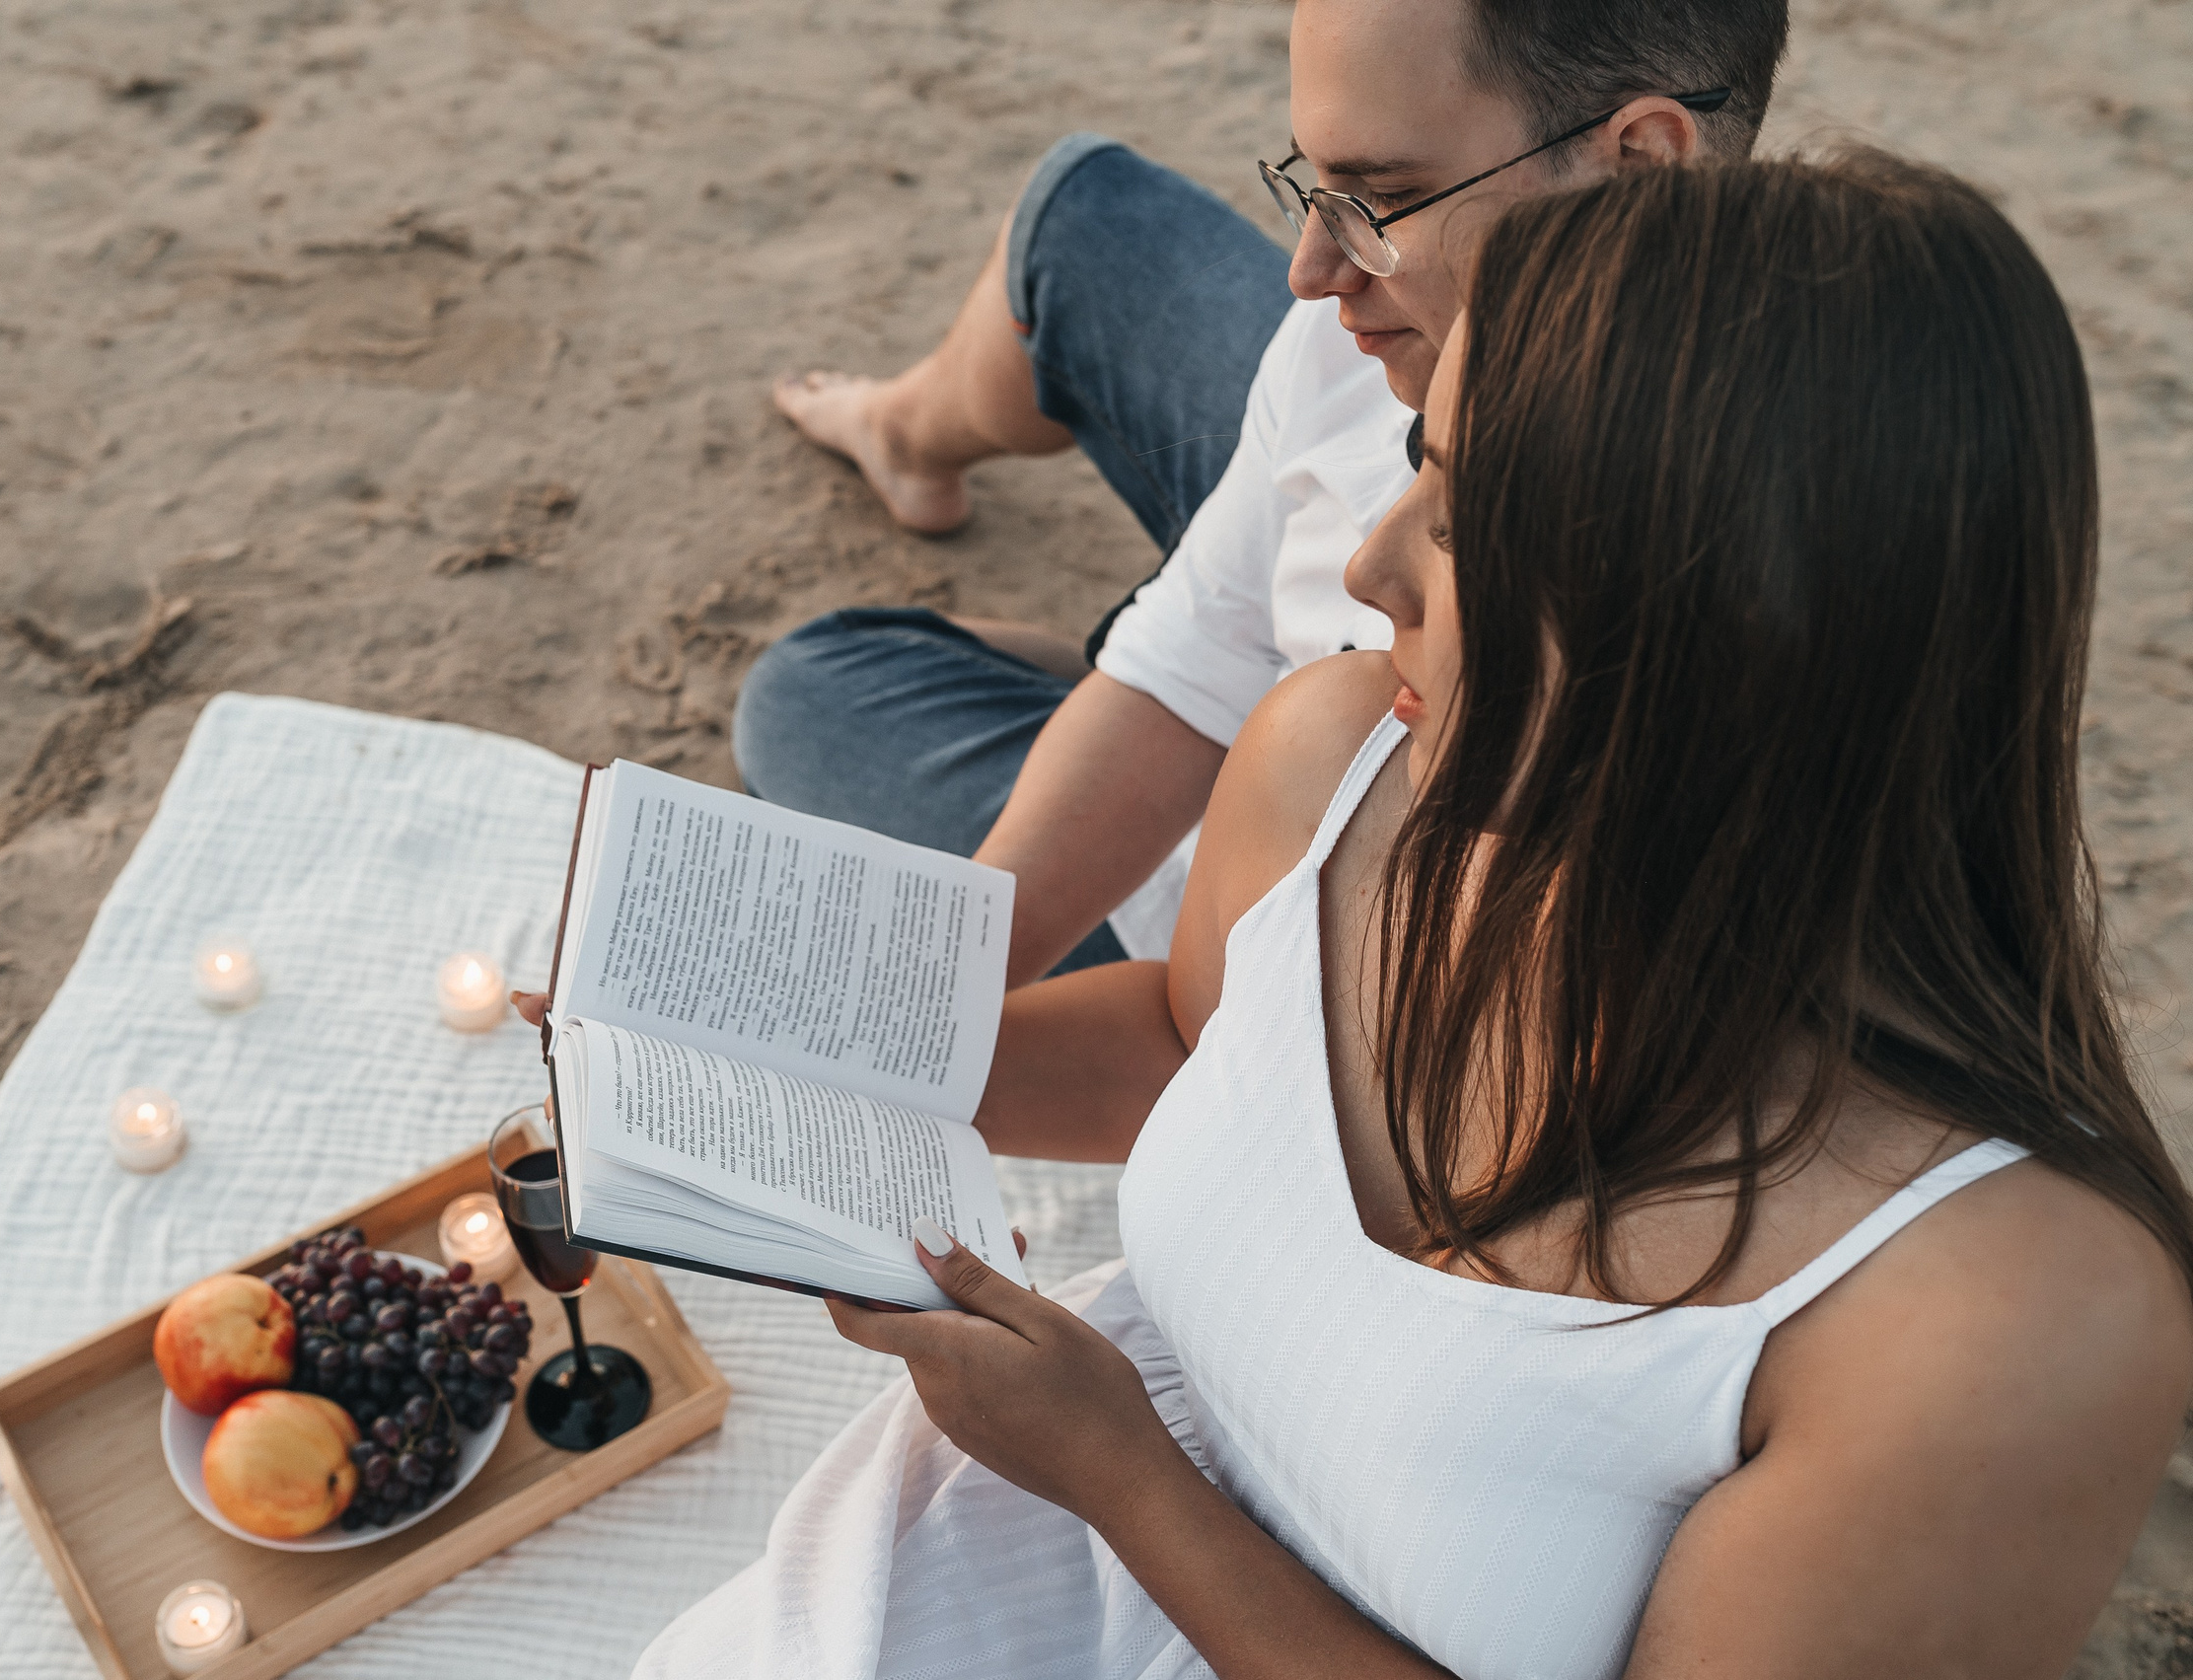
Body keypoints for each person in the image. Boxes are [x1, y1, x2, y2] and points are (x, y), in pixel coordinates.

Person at [633, 152, 2193, 1679]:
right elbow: (1192, 1037)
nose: (1372, 565)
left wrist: (1120, 1471)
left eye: (1465, 523)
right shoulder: (1344, 755)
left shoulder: (1996, 1313)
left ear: (1739, 628)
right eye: (1416, 467)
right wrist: (773, 1051)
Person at [741, 0, 1790, 982]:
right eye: (1314, 185)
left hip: (1247, 918)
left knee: (808, 691)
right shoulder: (1373, 323)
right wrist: (931, 992)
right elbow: (1200, 646)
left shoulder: (1707, 603)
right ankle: (907, 437)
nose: (1309, 274)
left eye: (1384, 195)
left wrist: (923, 999)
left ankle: (1099, 643)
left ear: (1640, 163)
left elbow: (1311, 1016)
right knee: (1084, 215)